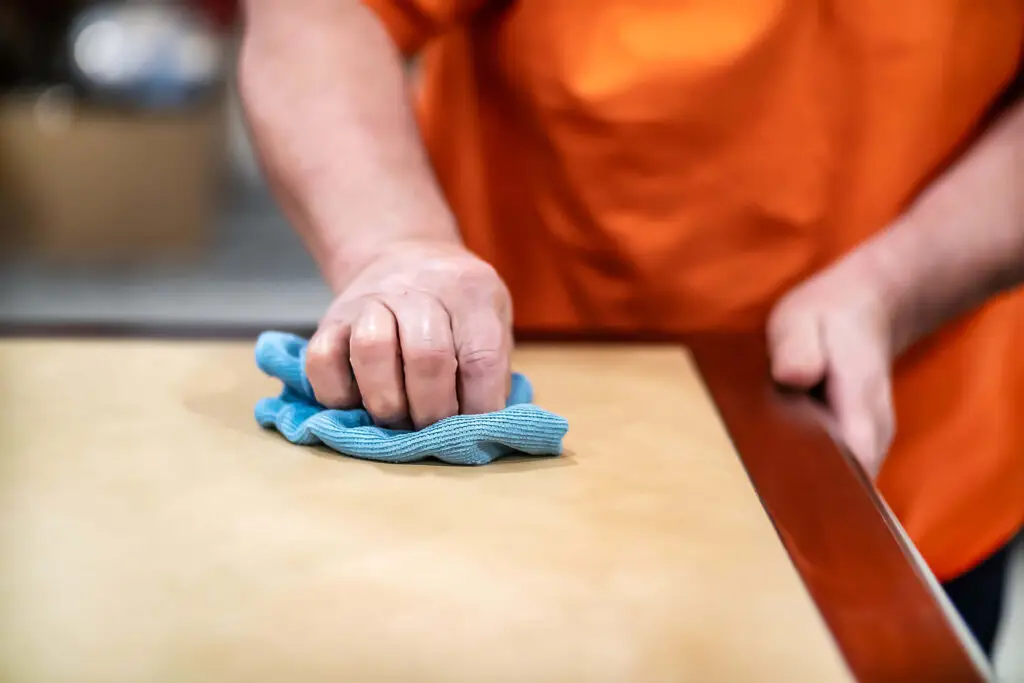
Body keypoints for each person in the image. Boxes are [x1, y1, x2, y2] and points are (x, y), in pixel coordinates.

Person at [238, 0, 1024, 656]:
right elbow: (320, 16)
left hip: (900, 469)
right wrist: (394, 245)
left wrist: (895, 287)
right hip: (502, 484)